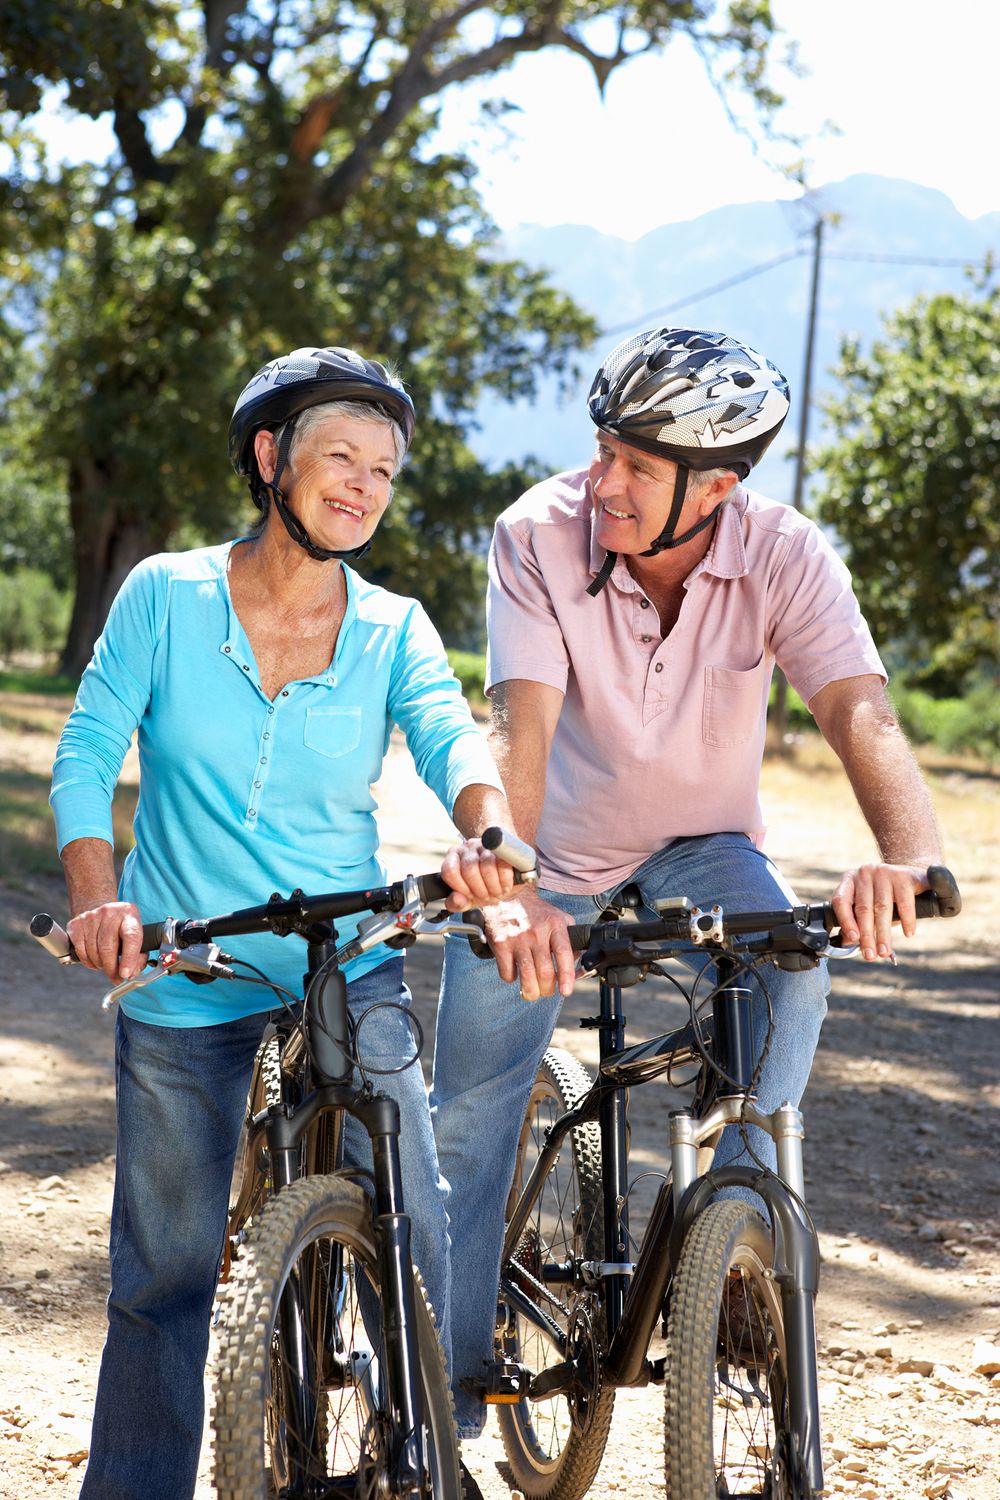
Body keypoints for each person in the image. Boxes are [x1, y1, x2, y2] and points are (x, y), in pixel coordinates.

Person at [431, 325, 944, 1440]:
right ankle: (442, 1420)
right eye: (602, 448)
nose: (602, 482)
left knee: (790, 968)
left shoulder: (783, 551)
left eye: (635, 466)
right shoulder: (537, 533)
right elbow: (520, 726)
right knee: (468, 1114)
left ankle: (737, 1226)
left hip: (700, 843)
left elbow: (857, 706)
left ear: (715, 486)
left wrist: (909, 856)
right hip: (549, 849)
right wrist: (510, 886)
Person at [50, 345, 520, 1500]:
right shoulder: (165, 593)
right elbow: (86, 754)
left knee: (405, 1201)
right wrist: (98, 899)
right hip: (183, 964)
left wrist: (489, 828)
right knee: (162, 1274)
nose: (363, 485)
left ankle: (425, 1458)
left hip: (343, 958)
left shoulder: (396, 625)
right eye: (339, 458)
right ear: (271, 460)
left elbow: (454, 739)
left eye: (384, 470)